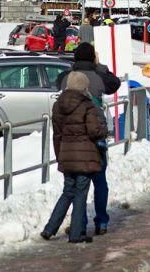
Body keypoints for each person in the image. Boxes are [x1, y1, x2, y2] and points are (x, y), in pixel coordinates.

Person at [56, 42, 121, 236]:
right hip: (95, 136)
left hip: (72, 139)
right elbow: (114, 84)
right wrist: (99, 65)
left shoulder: (67, 77)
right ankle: (101, 221)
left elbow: (57, 82)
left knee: (78, 185)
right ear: (93, 57)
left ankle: (79, 223)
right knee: (100, 181)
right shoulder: (99, 75)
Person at [41, 71, 107, 244]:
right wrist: (103, 131)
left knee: (67, 192)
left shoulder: (57, 105)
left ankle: (49, 229)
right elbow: (94, 131)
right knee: (80, 194)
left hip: (66, 154)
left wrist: (60, 155)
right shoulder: (87, 105)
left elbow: (57, 134)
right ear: (84, 87)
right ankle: (76, 234)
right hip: (85, 157)